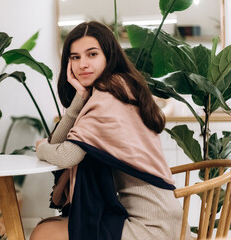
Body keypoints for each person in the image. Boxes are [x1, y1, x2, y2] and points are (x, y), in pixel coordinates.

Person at [30, 21, 190, 240]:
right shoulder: (118, 86)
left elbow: (66, 155)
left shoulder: (109, 94)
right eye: (75, 57)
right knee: (49, 226)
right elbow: (59, 144)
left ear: (109, 56)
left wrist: (41, 148)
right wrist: (79, 100)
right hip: (159, 217)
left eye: (92, 54)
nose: (82, 64)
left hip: (153, 226)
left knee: (43, 232)